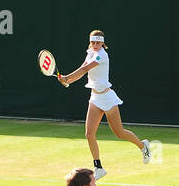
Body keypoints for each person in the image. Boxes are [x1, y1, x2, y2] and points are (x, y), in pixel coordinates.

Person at [55, 30, 150, 177]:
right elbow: (83, 71)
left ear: (103, 43)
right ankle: (98, 167)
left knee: (119, 133)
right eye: (93, 42)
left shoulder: (102, 55)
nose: (95, 45)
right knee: (89, 134)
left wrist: (67, 77)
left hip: (107, 98)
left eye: (98, 43)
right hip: (95, 98)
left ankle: (143, 146)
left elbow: (85, 69)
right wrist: (69, 81)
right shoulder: (90, 53)